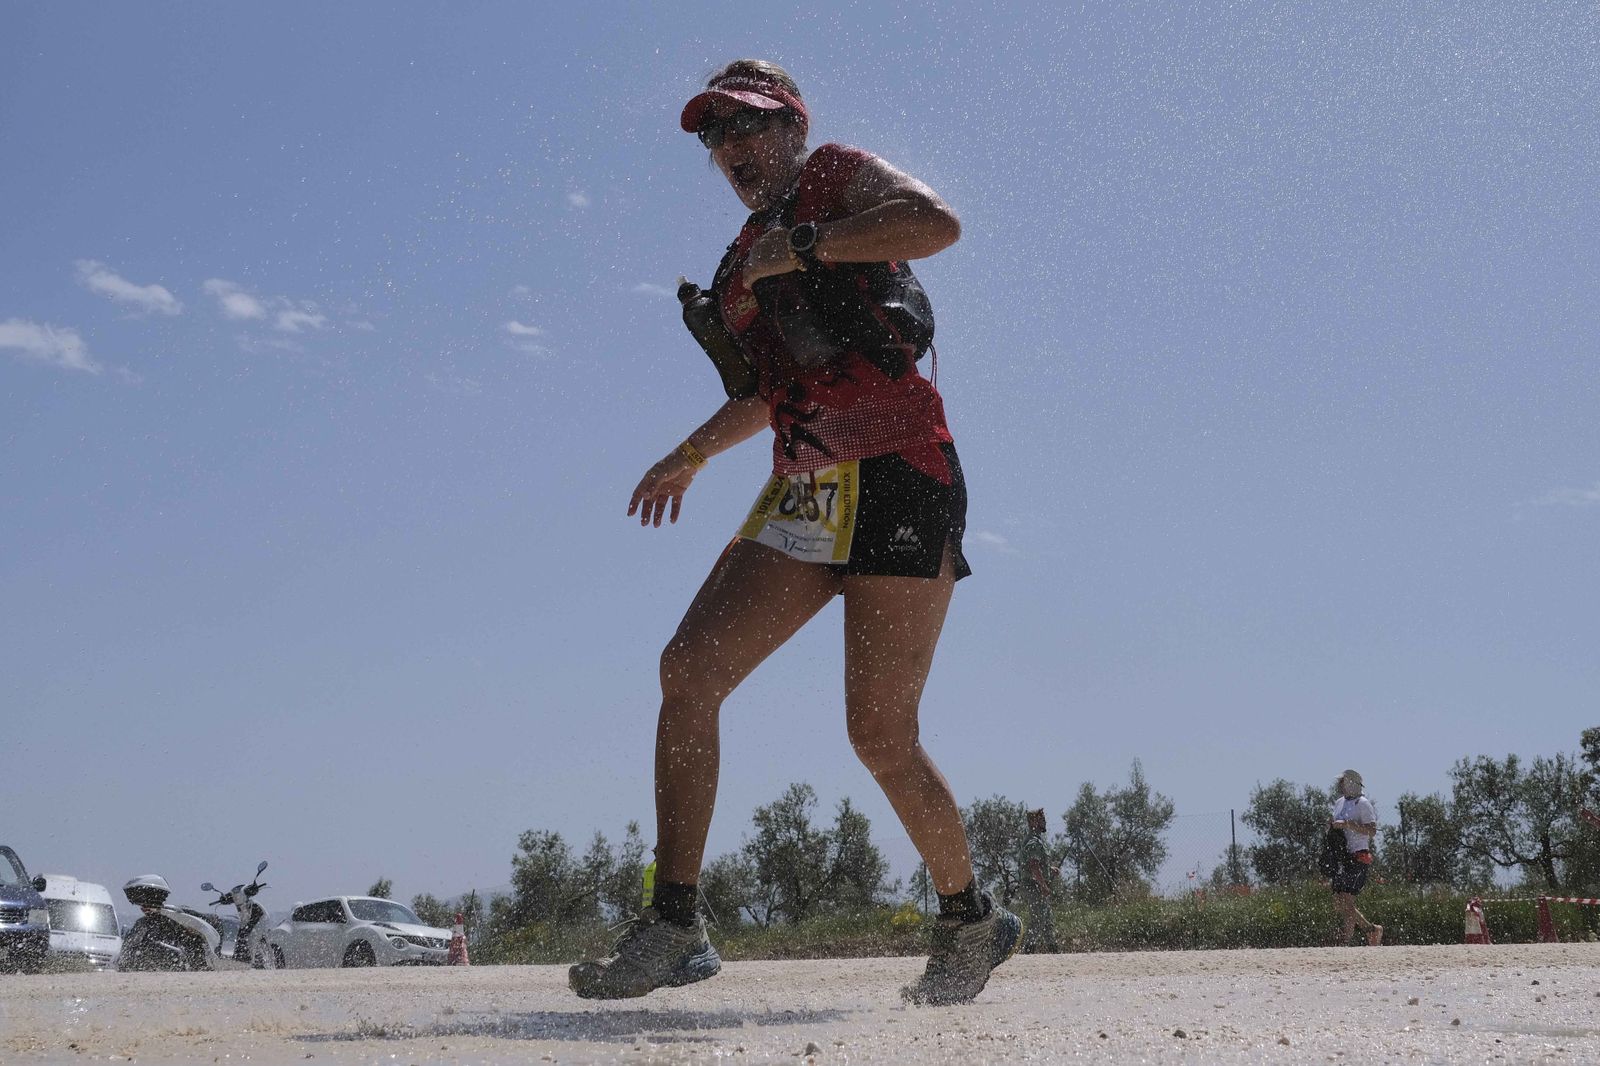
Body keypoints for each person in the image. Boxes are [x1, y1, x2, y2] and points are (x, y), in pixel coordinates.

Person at [569, 59, 1020, 1006]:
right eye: (715, 134)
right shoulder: (737, 266)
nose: (730, 147)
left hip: (901, 471)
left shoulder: (833, 179)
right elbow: (762, 396)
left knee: (879, 734)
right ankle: (674, 924)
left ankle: (970, 919)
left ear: (792, 128)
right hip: (807, 485)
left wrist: (809, 244)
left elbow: (937, 225)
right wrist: (688, 454)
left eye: (748, 125)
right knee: (689, 669)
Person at [1329, 769, 1382, 946]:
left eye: (1343, 782)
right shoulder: (1339, 803)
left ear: (1352, 783)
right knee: (1339, 901)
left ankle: (1347, 940)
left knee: (1347, 899)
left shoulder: (1363, 804)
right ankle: (1370, 930)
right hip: (1342, 857)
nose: (1340, 785)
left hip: (1358, 855)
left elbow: (1372, 831)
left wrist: (1347, 824)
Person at [1016, 808, 1059, 953]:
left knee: (1047, 920)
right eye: (1042, 819)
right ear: (1033, 822)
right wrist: (1043, 885)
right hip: (1033, 886)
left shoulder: (1036, 840)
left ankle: (1054, 950)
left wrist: (1049, 869)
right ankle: (1028, 951)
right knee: (1038, 918)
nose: (1045, 822)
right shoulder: (1033, 842)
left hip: (1036, 885)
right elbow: (1033, 866)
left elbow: (1037, 864)